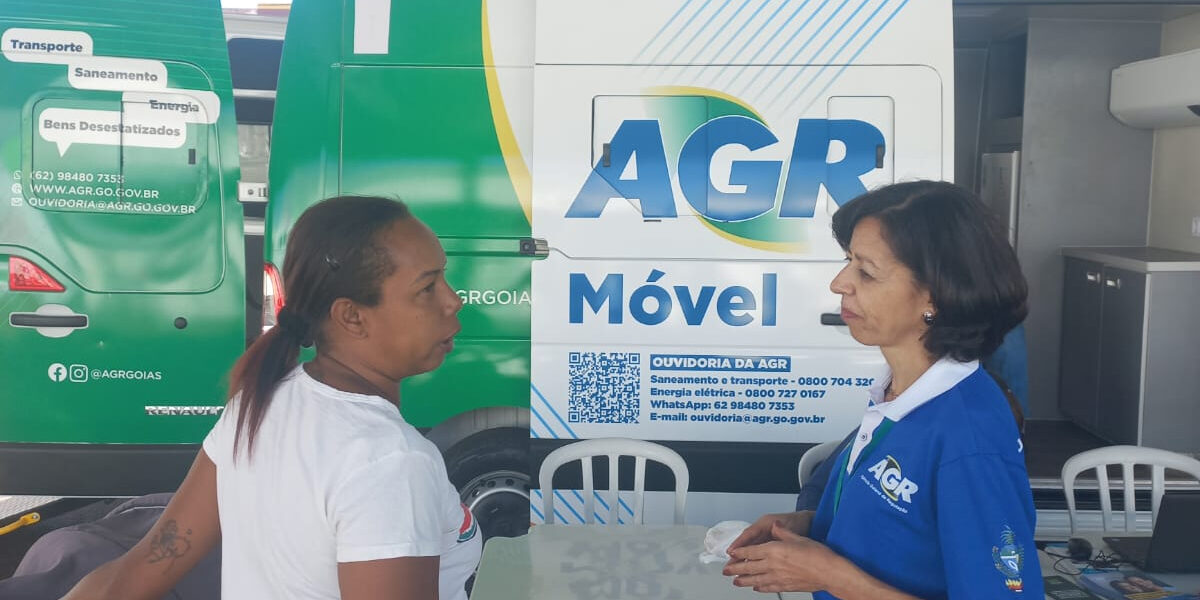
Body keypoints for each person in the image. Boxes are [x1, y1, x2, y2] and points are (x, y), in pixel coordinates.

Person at [61, 196, 480, 600]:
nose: (453, 300)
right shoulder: (389, 463)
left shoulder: (257, 407)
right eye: (427, 287)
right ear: (351, 316)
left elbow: (138, 572)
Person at [725, 181, 1041, 599]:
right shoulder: (898, 397)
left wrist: (830, 576)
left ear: (935, 297)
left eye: (866, 272)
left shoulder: (969, 436)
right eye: (847, 260)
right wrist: (810, 526)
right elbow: (899, 530)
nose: (839, 283)